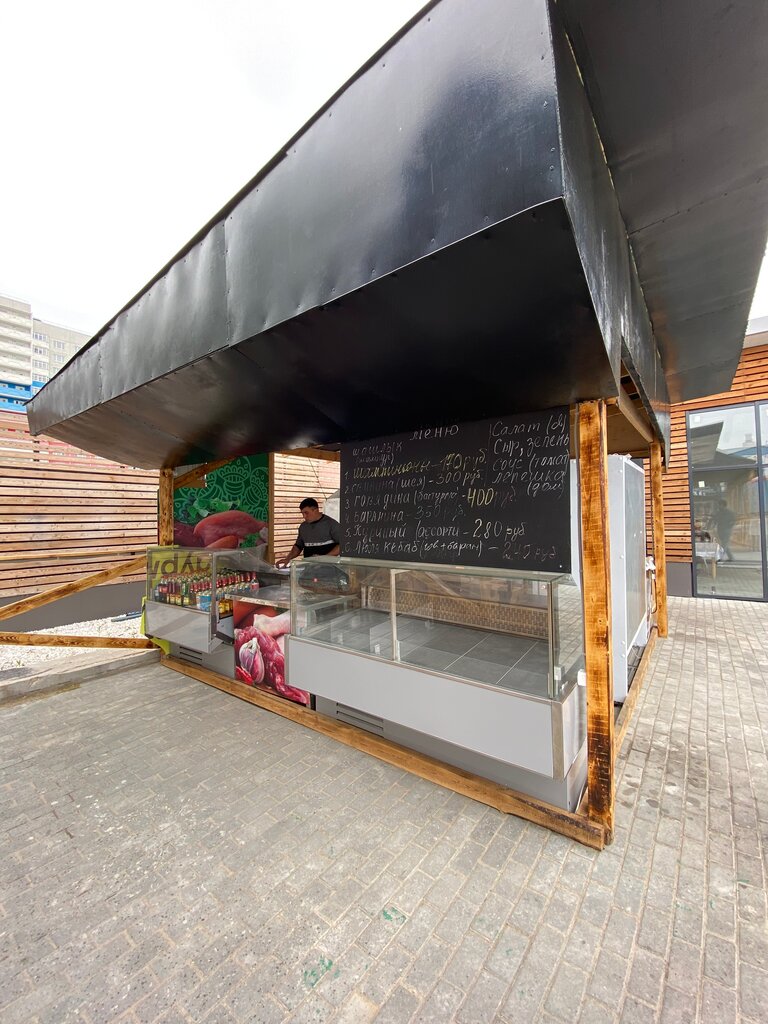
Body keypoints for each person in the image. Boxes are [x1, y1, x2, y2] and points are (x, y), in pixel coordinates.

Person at [275, 497, 340, 567]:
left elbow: (341, 545)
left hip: (330, 568)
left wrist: (324, 558)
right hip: (309, 568)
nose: (304, 516)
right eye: (302, 513)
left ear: (315, 510)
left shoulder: (332, 524)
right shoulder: (303, 527)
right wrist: (287, 559)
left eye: (306, 513)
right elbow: (298, 546)